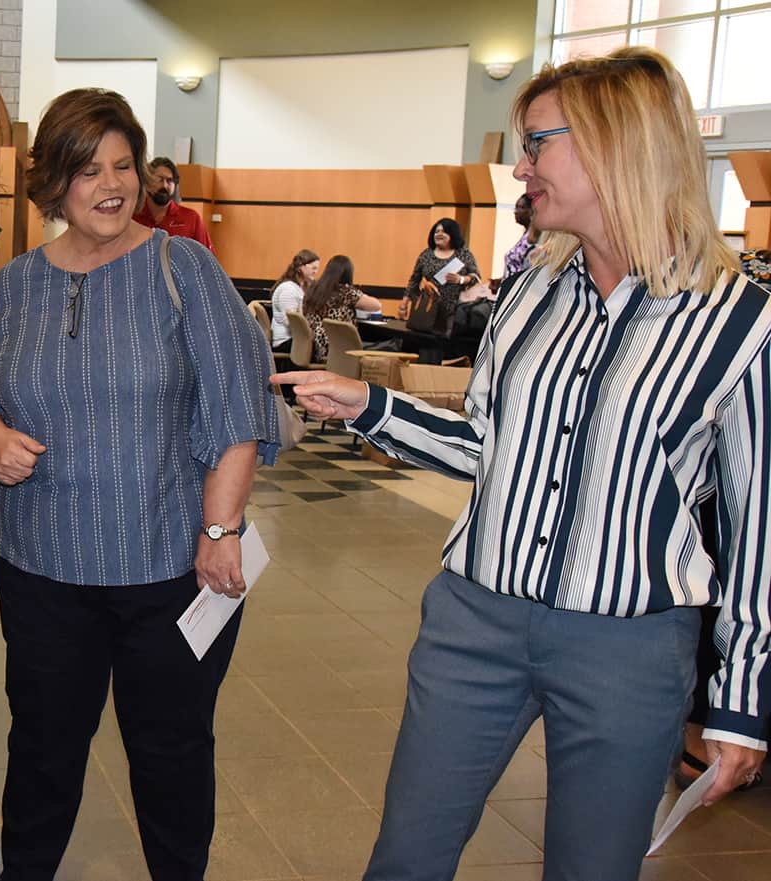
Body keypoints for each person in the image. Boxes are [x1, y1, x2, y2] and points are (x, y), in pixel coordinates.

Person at [274, 47, 769, 881]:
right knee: (405, 859)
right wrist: (372, 408)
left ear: (617, 143)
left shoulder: (740, 321)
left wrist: (743, 705)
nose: (520, 169)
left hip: (630, 646)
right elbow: (490, 449)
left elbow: (760, 531)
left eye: (538, 144)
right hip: (476, 622)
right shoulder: (531, 294)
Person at [0, 88, 278, 881]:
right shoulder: (18, 282)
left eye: (124, 165)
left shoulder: (183, 267)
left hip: (167, 572)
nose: (111, 183)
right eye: (88, 167)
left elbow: (239, 408)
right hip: (40, 572)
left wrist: (221, 531)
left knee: (170, 757)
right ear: (54, 182)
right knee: (42, 750)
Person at [398, 218, 480, 325]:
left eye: (444, 231)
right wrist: (404, 304)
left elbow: (476, 277)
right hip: (428, 307)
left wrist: (461, 279)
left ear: (453, 234)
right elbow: (414, 280)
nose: (439, 234)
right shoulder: (426, 255)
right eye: (436, 232)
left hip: (454, 310)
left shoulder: (463, 254)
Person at [302, 254, 381, 361]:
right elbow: (376, 305)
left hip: (314, 346)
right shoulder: (345, 292)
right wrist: (362, 295)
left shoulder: (314, 289)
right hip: (337, 348)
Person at [133, 156, 213, 250]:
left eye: (169, 181)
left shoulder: (191, 219)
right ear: (147, 182)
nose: (164, 185)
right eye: (159, 179)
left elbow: (207, 258)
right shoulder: (132, 217)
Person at [269, 248, 320, 352]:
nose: (316, 272)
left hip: (292, 339)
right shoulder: (289, 289)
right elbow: (292, 322)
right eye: (313, 268)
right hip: (284, 341)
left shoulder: (298, 287)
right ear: (301, 267)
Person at [502, 193, 536, 278]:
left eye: (520, 207)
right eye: (515, 207)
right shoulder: (525, 236)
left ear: (531, 210)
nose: (515, 211)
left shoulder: (535, 239)